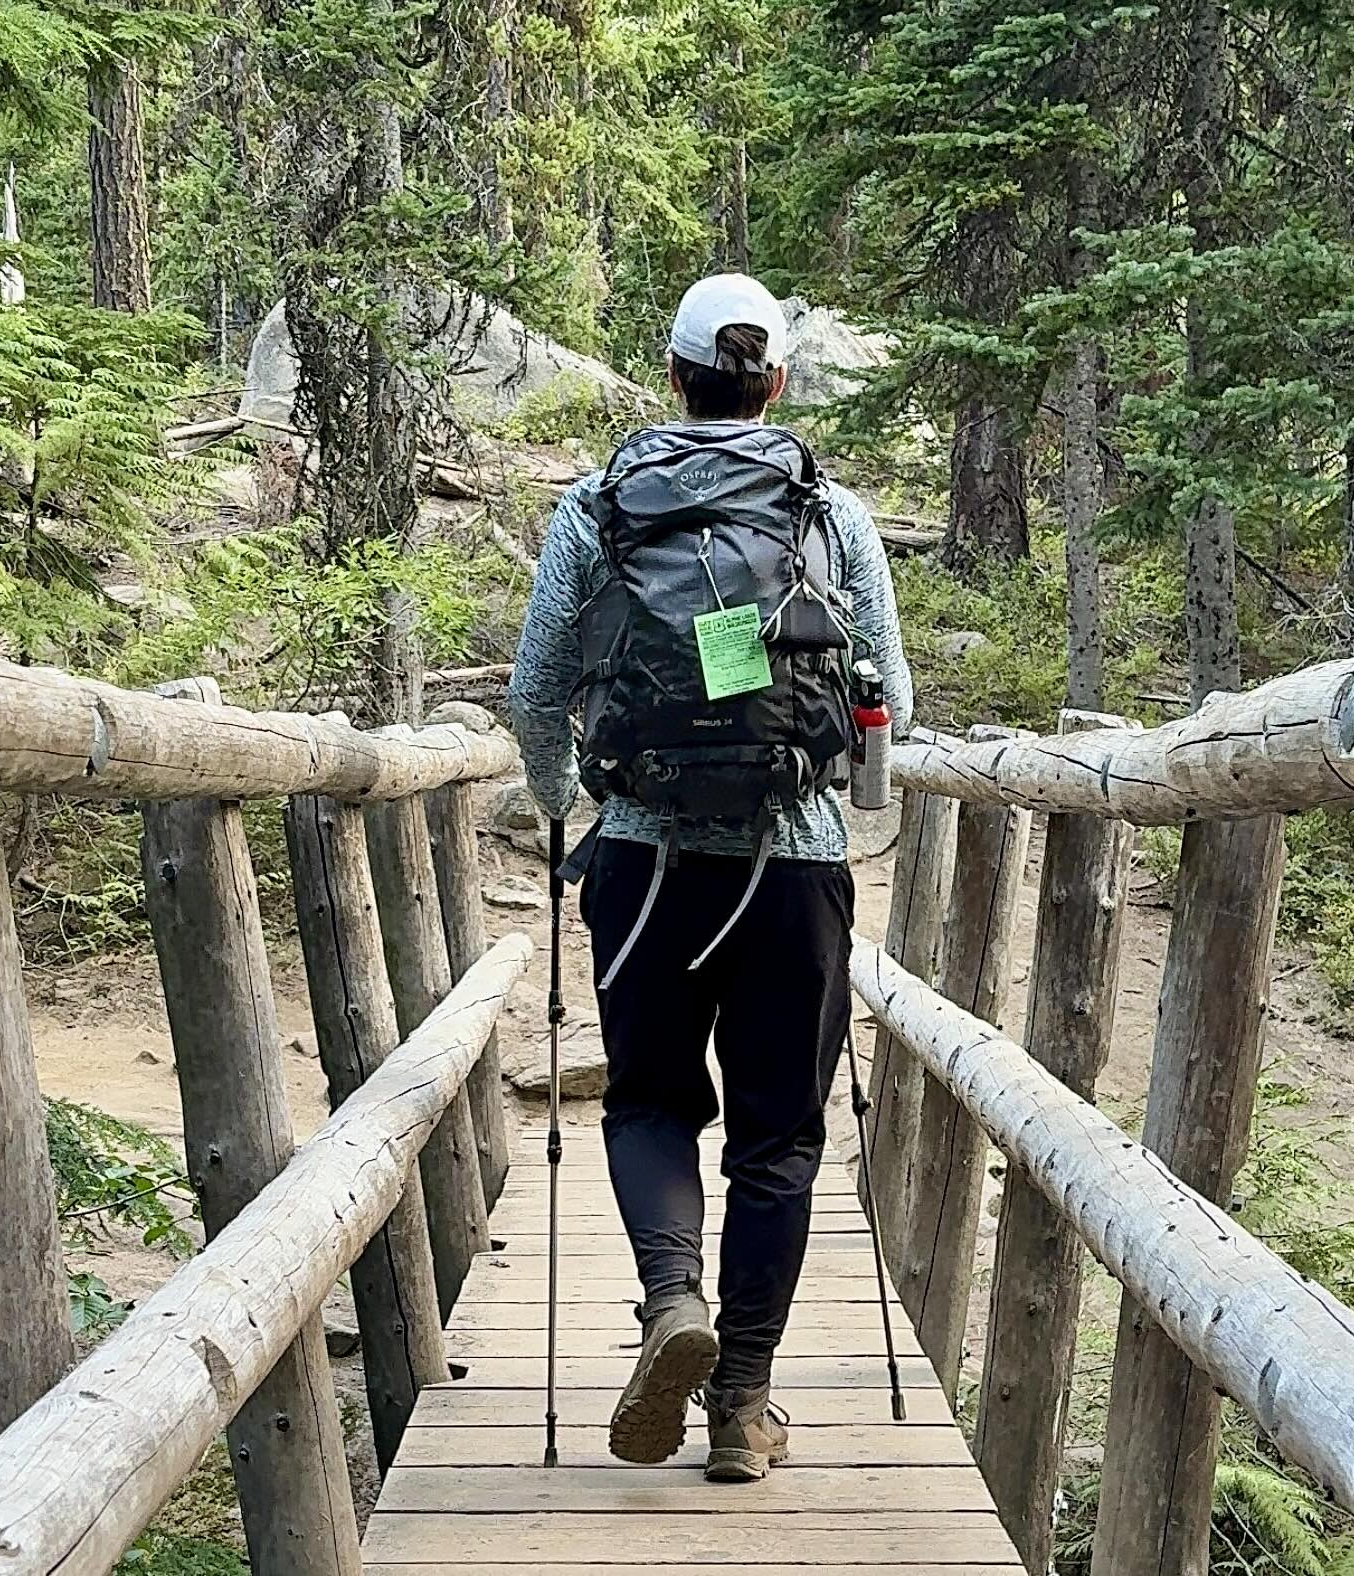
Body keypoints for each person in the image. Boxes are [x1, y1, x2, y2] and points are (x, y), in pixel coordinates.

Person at [508, 272, 913, 1481]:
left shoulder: (598, 505)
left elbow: (536, 692)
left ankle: (670, 1297)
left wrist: (560, 803)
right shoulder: (829, 512)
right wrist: (862, 805)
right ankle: (740, 1401)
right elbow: (880, 686)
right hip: (792, 867)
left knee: (646, 1103)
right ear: (775, 380)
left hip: (640, 855)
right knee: (780, 1139)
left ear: (672, 374)